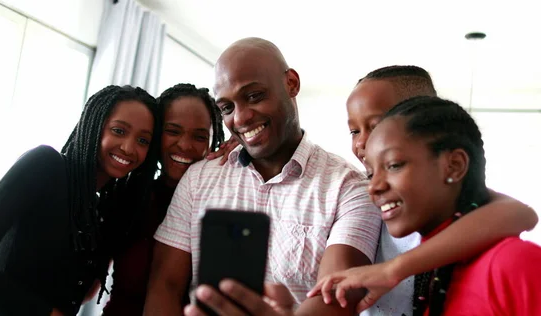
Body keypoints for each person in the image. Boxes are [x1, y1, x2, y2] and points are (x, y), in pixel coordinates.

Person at [143, 37, 381, 316]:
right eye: (227, 108)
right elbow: (165, 285)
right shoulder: (198, 179)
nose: (241, 119)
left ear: (291, 83)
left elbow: (335, 298)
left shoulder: (348, 188)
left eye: (254, 96)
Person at [308, 65, 538, 315]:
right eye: (354, 131)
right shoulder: (364, 209)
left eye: (394, 165)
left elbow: (521, 214)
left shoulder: (508, 263)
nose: (363, 142)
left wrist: (392, 270)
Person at [0, 85, 161, 316]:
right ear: (94, 126)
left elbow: (83, 293)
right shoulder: (45, 166)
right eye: (118, 130)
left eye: (143, 141)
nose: (129, 148)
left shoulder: (109, 206)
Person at [102, 83, 225, 315]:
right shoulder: (127, 196)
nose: (185, 145)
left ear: (213, 141)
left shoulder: (222, 205)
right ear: (155, 133)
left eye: (199, 136)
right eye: (173, 131)